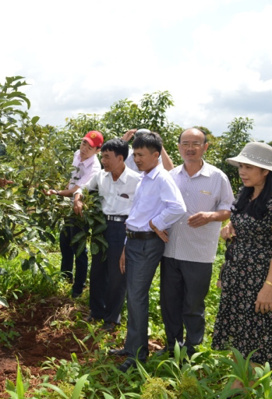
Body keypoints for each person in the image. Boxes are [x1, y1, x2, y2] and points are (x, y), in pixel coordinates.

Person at [212, 142, 272, 391]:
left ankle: (245, 385)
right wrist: (229, 229)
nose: (242, 171)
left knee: (257, 332)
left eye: (248, 167)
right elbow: (242, 223)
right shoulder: (246, 193)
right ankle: (239, 374)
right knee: (239, 328)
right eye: (241, 166)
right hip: (237, 273)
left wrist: (268, 287)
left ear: (265, 171)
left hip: (259, 278)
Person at [109, 131, 186, 372]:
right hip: (133, 242)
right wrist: (124, 246)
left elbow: (178, 207)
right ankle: (132, 346)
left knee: (137, 298)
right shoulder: (146, 177)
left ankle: (137, 356)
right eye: (135, 154)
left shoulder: (161, 178)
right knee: (133, 297)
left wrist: (156, 224)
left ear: (156, 155)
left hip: (145, 244)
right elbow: (136, 215)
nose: (137, 159)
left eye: (141, 155)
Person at [159, 128, 234, 357]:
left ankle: (192, 350)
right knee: (170, 303)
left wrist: (211, 216)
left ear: (205, 147)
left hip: (199, 253)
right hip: (170, 250)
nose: (190, 148)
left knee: (193, 304)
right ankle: (172, 346)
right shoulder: (171, 177)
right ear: (179, 147)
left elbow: (229, 207)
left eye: (195, 143)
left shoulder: (217, 177)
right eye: (185, 143)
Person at [73, 138, 140, 330]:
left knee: (117, 274)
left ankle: (112, 318)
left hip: (123, 229)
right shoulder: (101, 176)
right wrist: (78, 199)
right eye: (102, 156)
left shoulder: (136, 181)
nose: (103, 160)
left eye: (107, 157)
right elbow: (82, 188)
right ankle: (96, 312)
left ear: (120, 158)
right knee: (97, 271)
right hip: (101, 228)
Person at [43, 131, 103, 298]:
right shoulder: (77, 155)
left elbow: (77, 191)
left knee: (79, 249)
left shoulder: (95, 168)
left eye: (89, 147)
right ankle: (65, 279)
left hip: (81, 210)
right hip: (69, 207)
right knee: (65, 244)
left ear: (98, 150)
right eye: (83, 143)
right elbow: (72, 180)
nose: (84, 148)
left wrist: (56, 193)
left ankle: (78, 288)